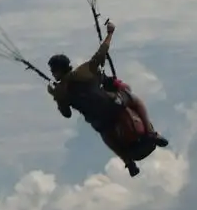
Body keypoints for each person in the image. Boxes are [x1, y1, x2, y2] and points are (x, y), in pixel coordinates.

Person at [47, 20, 168, 176]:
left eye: (52, 71)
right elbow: (101, 52)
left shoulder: (60, 91)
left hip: (99, 121)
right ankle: (152, 133)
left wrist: (56, 98)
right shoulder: (84, 71)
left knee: (106, 136)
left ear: (57, 71)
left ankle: (128, 162)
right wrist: (110, 33)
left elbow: (66, 114)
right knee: (134, 100)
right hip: (112, 106)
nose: (52, 73)